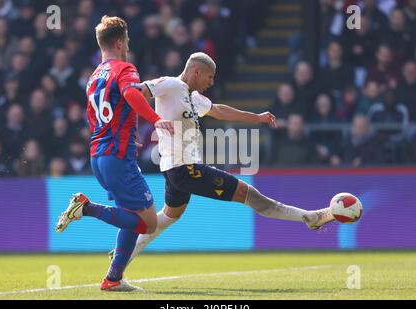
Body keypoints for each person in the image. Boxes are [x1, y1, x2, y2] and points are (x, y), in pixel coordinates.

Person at [119, 52, 335, 263]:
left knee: (167, 217)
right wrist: (145, 124)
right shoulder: (170, 85)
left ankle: (122, 257)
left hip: (176, 169)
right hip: (184, 167)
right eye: (210, 76)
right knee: (251, 196)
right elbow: (135, 91)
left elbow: (219, 111)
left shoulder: (193, 97)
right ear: (196, 72)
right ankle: (311, 218)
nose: (212, 82)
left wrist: (256, 118)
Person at [55, 15, 174, 292]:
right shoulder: (125, 69)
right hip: (116, 157)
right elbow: (133, 95)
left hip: (100, 155)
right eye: (128, 40)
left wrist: (126, 135)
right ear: (120, 42)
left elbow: (94, 118)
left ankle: (113, 278)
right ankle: (86, 208)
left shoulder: (93, 77)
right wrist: (155, 119)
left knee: (130, 216)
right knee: (148, 222)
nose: (129, 45)